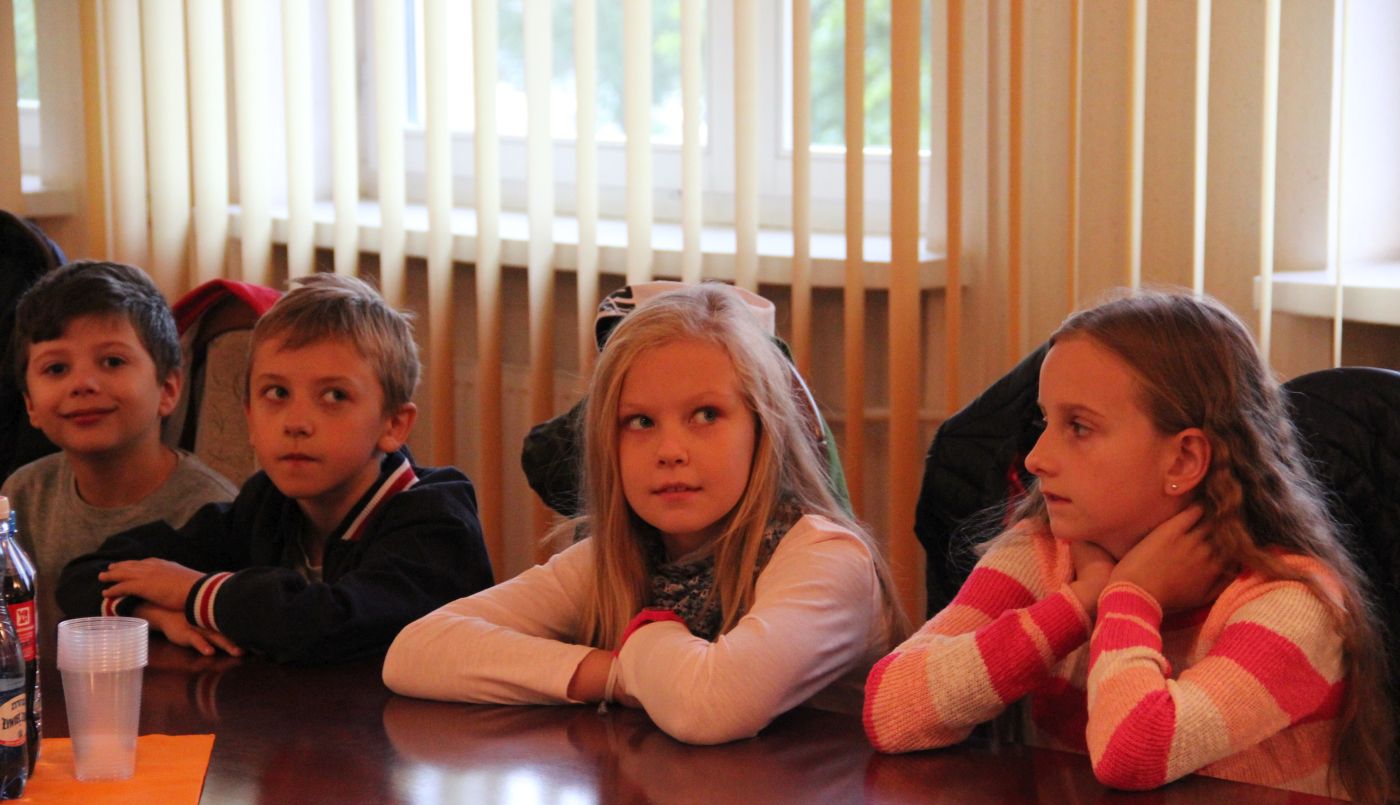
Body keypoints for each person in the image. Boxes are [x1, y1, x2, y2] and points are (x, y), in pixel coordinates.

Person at [864, 289, 1394, 805]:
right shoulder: (1047, 552)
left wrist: (1130, 596)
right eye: (1044, 421)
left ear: (1183, 460)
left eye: (1079, 427)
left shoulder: (1293, 603)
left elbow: (1134, 751)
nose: (1035, 458)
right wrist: (1076, 604)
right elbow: (891, 711)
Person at [384, 282, 905, 744]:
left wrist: (644, 634)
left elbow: (710, 707)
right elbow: (417, 650)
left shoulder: (827, 557)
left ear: (763, 431)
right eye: (639, 422)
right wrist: (612, 675)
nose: (670, 451)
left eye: (706, 415)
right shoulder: (618, 556)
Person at [56, 273, 494, 663]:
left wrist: (192, 592)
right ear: (250, 417)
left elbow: (330, 623)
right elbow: (85, 574)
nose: (296, 423)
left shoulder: (436, 519)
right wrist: (151, 609)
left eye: (334, 396)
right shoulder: (267, 503)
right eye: (277, 393)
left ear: (393, 425)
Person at [2, 261, 237, 635]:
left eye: (112, 361)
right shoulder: (23, 495)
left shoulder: (211, 510)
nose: (83, 384)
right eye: (56, 369)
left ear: (168, 389)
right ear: (30, 403)